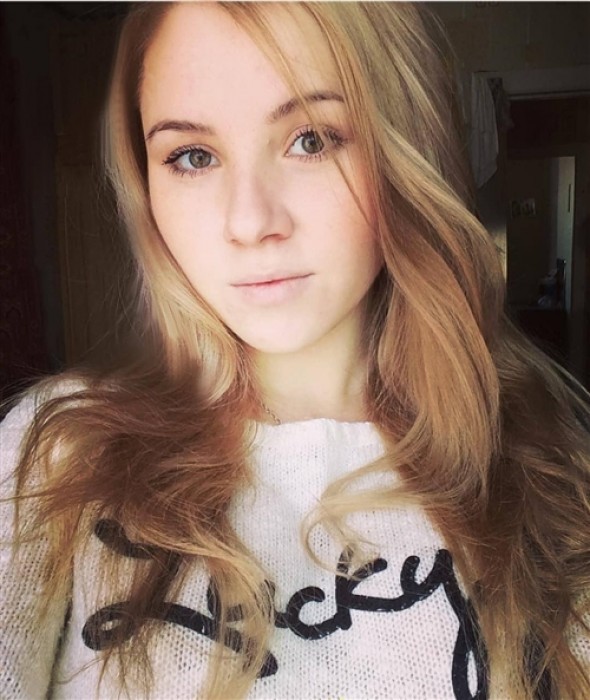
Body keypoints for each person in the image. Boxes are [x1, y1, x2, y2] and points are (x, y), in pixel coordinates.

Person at [1, 2, 589, 698]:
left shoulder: (549, 466)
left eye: (311, 139)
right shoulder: (58, 450)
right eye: (192, 156)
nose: (250, 221)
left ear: (405, 148)